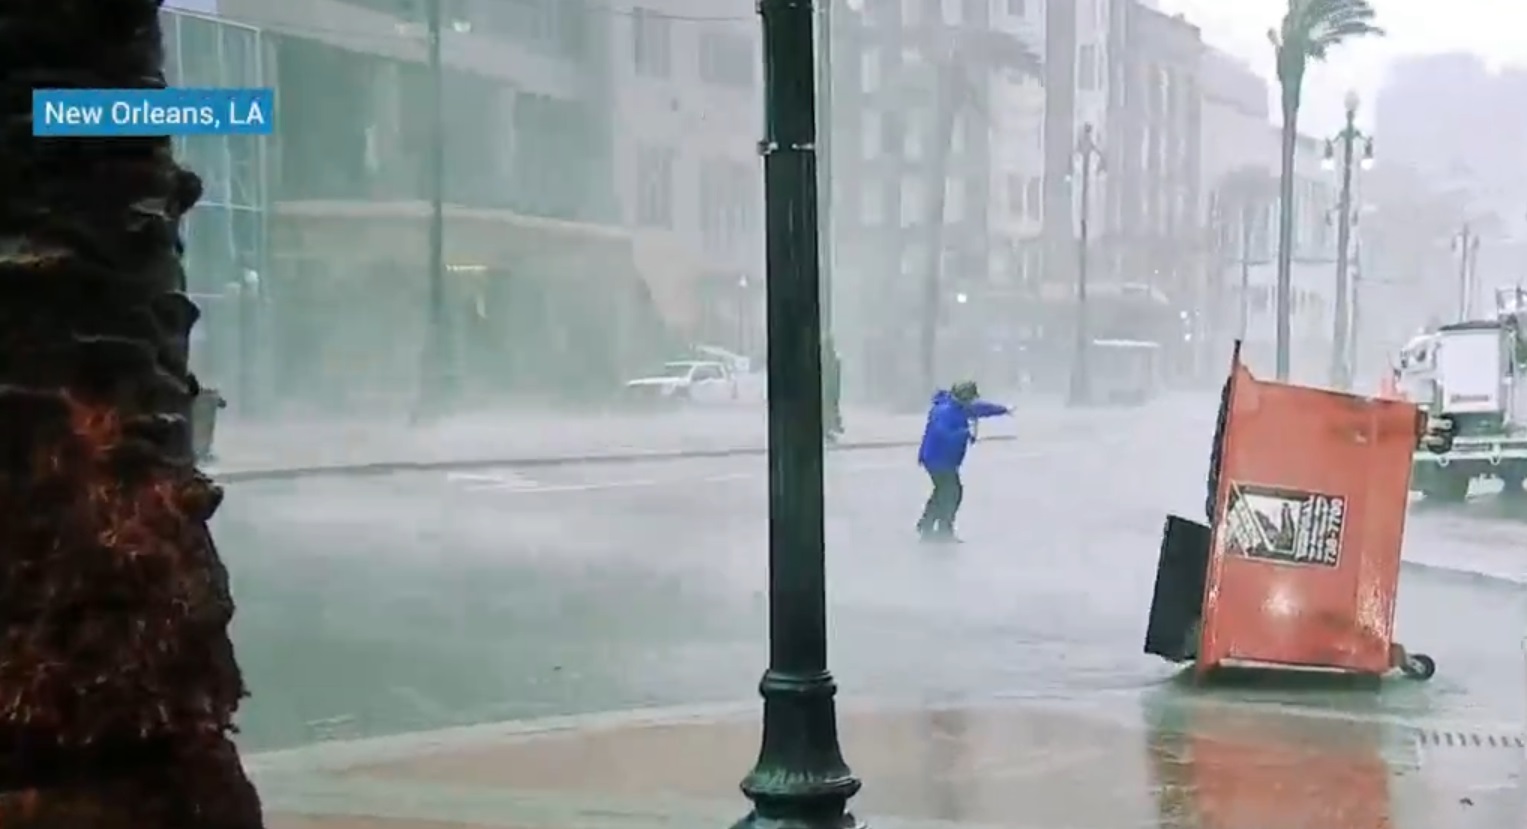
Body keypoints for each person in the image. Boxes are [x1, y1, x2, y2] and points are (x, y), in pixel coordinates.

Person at [916, 380, 1011, 542]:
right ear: (964, 397)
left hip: (946, 459)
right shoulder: (944, 411)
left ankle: (927, 524)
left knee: (943, 492)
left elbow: (982, 409)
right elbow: (943, 431)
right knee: (952, 492)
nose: (973, 402)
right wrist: (964, 433)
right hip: (937, 458)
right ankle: (942, 529)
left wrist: (1003, 410)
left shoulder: (960, 407)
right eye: (971, 398)